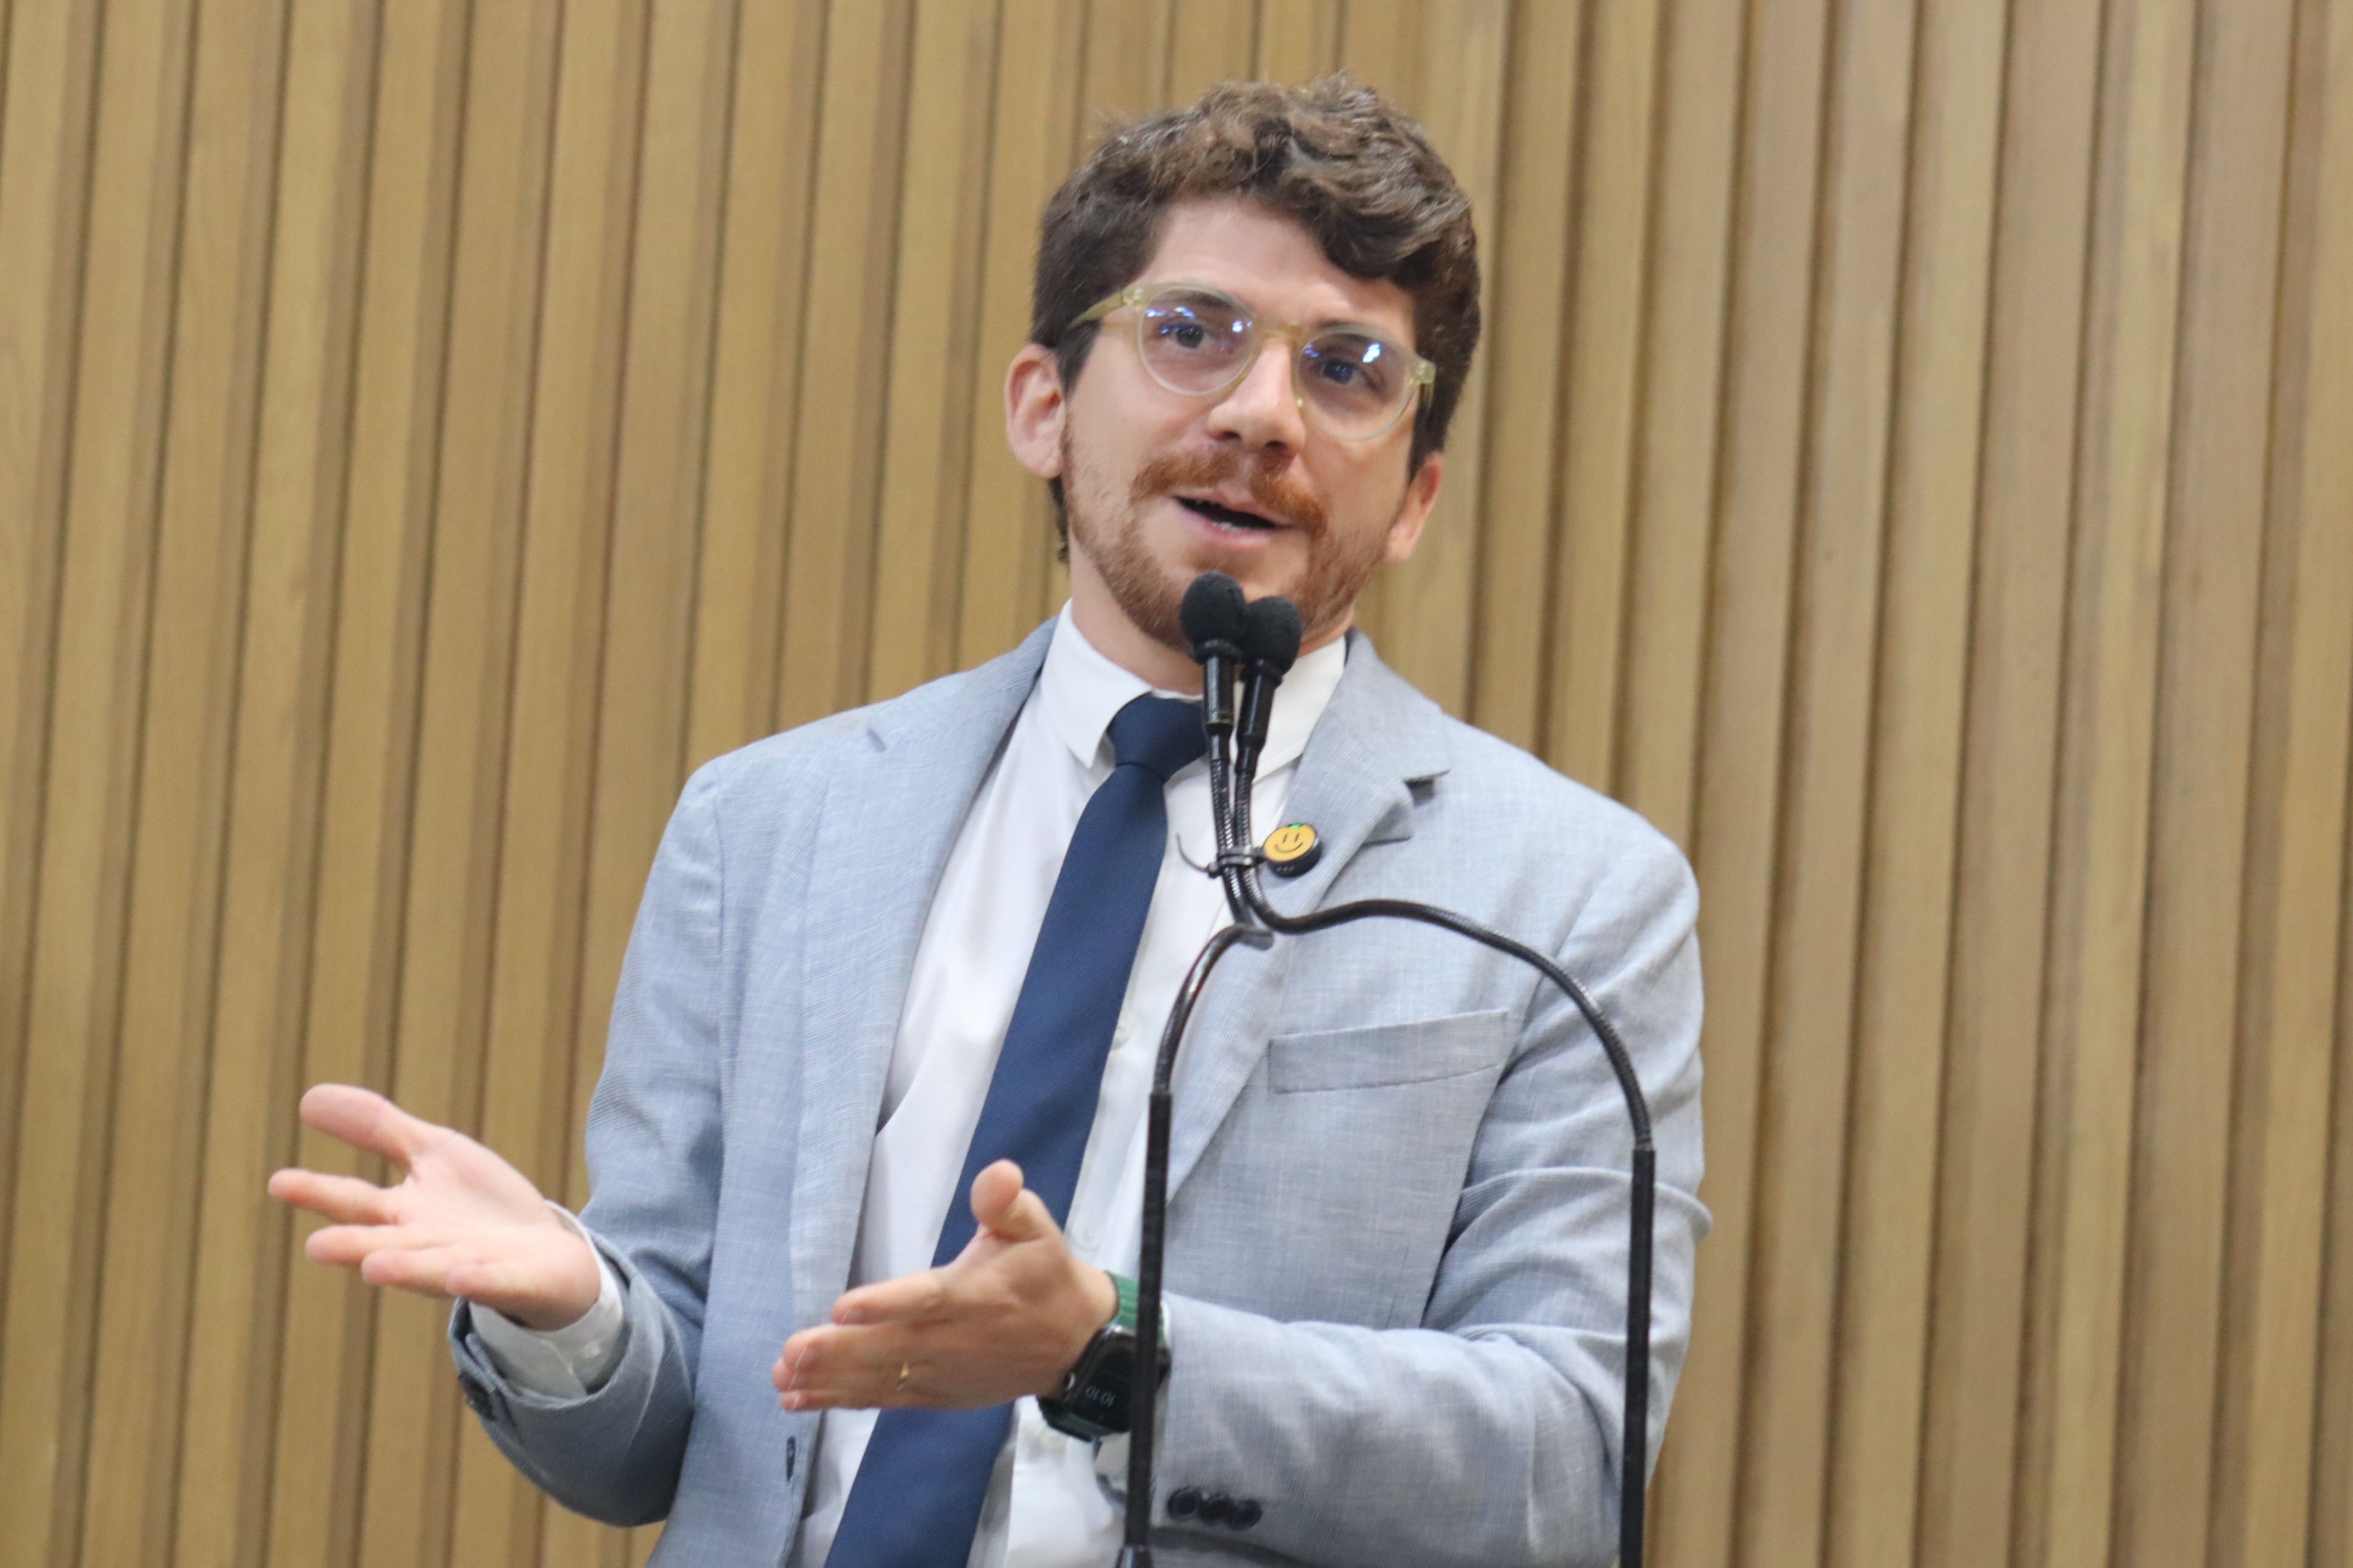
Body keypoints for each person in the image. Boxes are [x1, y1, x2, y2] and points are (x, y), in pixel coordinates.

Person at [269, 77, 1706, 1568]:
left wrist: (1109, 1350)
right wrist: (572, 1310)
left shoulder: (1564, 896)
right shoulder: (770, 828)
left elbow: (1569, 1457)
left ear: (1413, 497)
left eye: (1347, 370)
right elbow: (662, 1443)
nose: (1263, 413)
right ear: (1043, 407)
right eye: (1191, 331)